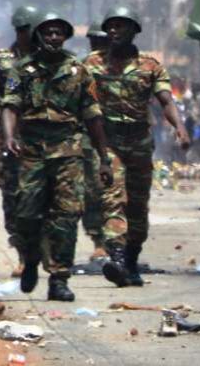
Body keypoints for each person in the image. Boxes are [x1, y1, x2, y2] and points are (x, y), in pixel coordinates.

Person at [0, 12, 112, 302]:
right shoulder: (20, 71)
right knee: (25, 213)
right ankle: (32, 256)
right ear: (38, 36)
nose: (52, 38)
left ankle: (60, 278)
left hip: (68, 149)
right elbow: (10, 106)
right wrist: (10, 136)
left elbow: (93, 115)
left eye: (58, 33)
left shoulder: (78, 71)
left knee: (66, 215)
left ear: (65, 37)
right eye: (47, 32)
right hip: (32, 150)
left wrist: (104, 158)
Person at [85, 6, 190, 287]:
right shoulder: (91, 64)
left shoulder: (151, 66)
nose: (114, 31)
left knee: (138, 207)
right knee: (113, 199)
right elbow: (75, 100)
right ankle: (116, 258)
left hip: (140, 144)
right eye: (111, 26)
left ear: (134, 30)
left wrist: (179, 128)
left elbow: (166, 100)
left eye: (121, 26)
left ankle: (131, 261)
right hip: (108, 144)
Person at [0, 4, 40, 276]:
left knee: (49, 199)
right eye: (26, 30)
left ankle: (48, 251)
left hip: (46, 139)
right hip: (12, 141)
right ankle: (24, 255)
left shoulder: (50, 58)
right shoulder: (0, 61)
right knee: (14, 200)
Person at [81, 27, 110, 260]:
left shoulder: (123, 65)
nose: (97, 44)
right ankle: (99, 239)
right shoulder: (81, 68)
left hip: (120, 134)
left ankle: (119, 239)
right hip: (90, 135)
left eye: (101, 40)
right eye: (94, 40)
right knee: (94, 189)